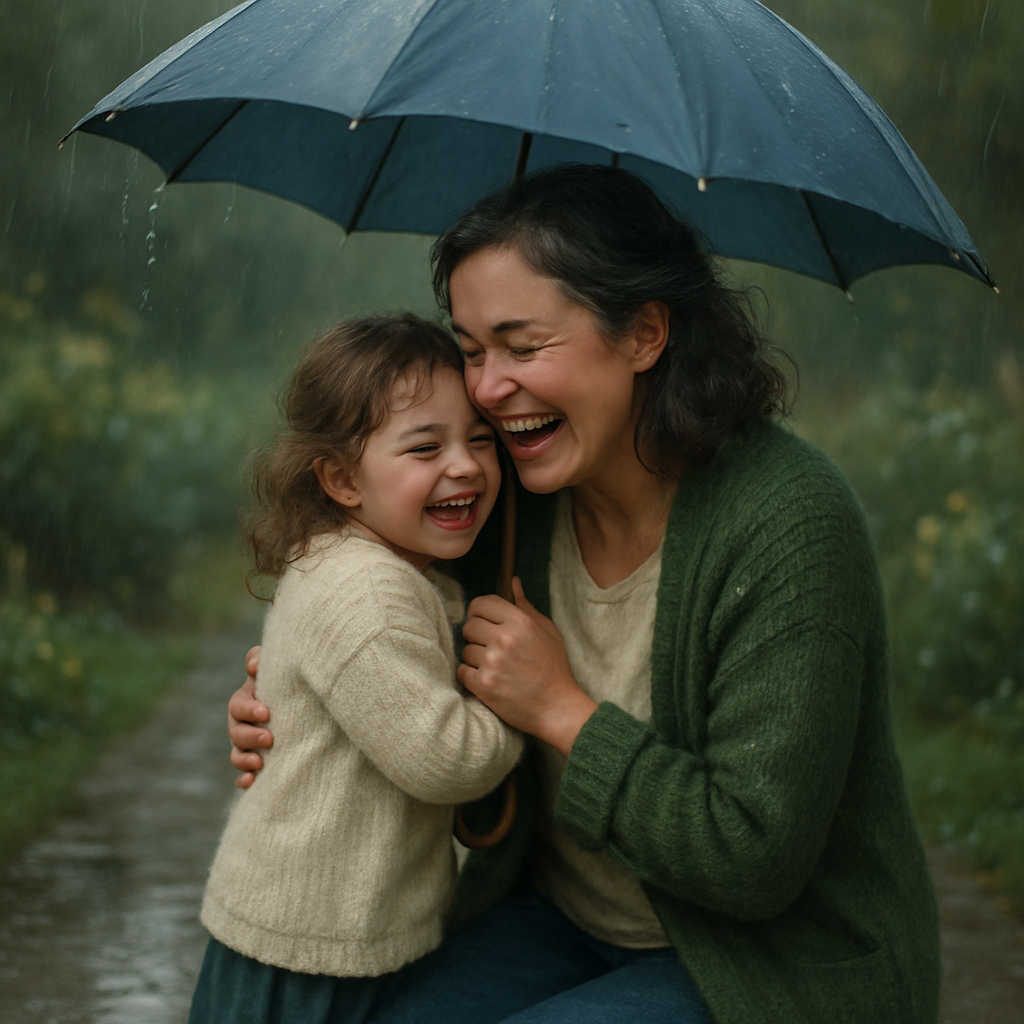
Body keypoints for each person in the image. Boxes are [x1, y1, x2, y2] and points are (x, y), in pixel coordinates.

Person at [227, 166, 941, 1024]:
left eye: (523, 348)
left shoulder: (789, 523)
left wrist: (561, 709)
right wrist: (305, 702)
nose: (487, 390)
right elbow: (371, 599)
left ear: (644, 334)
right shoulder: (508, 496)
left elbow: (754, 859)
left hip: (772, 964)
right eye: (472, 349)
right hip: (556, 919)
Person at [190, 314, 523, 1024]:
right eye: (426, 446)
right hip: (307, 957)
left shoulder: (388, 569)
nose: (464, 464)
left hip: (335, 938)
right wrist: (521, 701)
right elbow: (445, 758)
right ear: (341, 478)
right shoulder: (365, 588)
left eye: (481, 440)